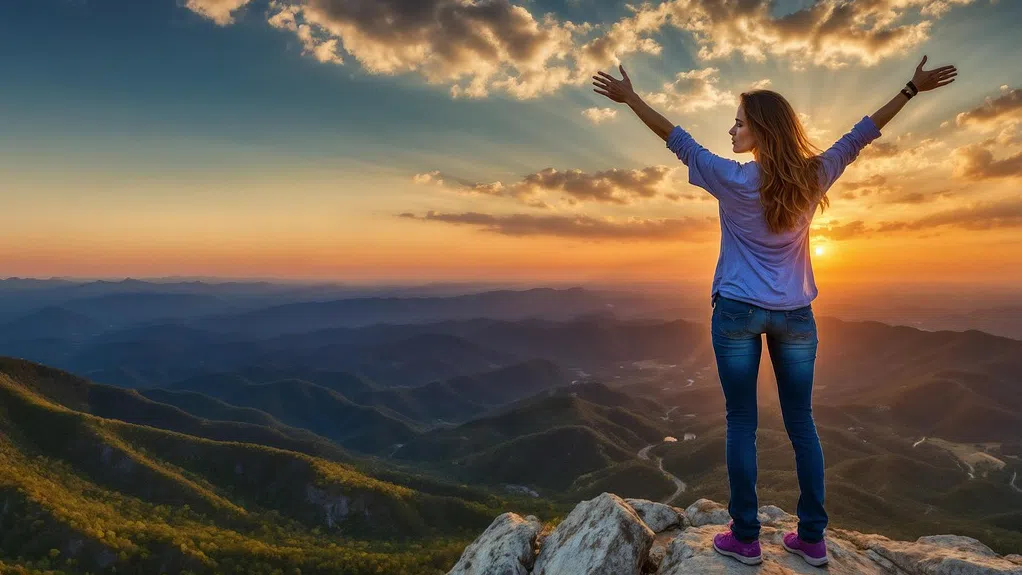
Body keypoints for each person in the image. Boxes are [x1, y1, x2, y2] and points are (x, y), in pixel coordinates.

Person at [592, 55, 957, 566]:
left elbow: (676, 139)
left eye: (739, 122)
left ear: (760, 129)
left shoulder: (732, 179)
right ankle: (811, 539)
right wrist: (910, 90)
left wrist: (631, 99)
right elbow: (861, 134)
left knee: (741, 421)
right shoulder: (814, 176)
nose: (732, 129)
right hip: (796, 317)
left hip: (738, 313)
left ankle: (744, 537)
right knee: (801, 423)